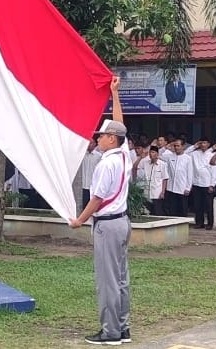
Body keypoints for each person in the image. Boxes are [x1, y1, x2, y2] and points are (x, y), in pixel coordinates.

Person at [70, 77, 132, 345]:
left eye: (102, 135)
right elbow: (121, 125)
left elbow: (96, 200)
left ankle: (111, 333)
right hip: (123, 223)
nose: (97, 137)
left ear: (111, 139)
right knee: (120, 278)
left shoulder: (106, 165)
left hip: (107, 224)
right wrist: (114, 95)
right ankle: (123, 327)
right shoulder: (124, 154)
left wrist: (79, 221)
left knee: (107, 281)